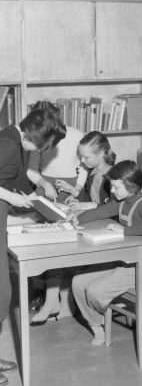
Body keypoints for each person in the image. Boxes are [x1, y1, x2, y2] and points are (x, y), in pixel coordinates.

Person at [0, 108, 66, 386]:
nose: (46, 149)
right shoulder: (7, 143)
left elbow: (17, 178)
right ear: (38, 138)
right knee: (1, 293)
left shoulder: (16, 142)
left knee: (2, 293)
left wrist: (39, 191)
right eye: (46, 145)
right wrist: (11, 199)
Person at [71, 160, 142, 346]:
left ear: (131, 186)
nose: (111, 191)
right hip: (124, 261)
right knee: (78, 282)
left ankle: (100, 315)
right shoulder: (121, 201)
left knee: (94, 291)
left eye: (115, 187)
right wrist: (75, 222)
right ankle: (97, 326)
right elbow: (98, 213)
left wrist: (123, 231)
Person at [26, 100, 87, 324]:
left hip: (70, 190)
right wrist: (44, 182)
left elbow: (84, 167)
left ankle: (62, 302)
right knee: (50, 247)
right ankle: (55, 301)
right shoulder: (38, 136)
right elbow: (31, 170)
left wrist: (77, 189)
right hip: (45, 188)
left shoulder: (76, 134)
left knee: (69, 247)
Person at [58, 130, 116, 211]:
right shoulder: (90, 173)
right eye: (81, 157)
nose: (82, 161)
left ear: (100, 153)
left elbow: (115, 209)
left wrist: (93, 205)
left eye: (86, 157)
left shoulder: (116, 177)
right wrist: (74, 192)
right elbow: (89, 200)